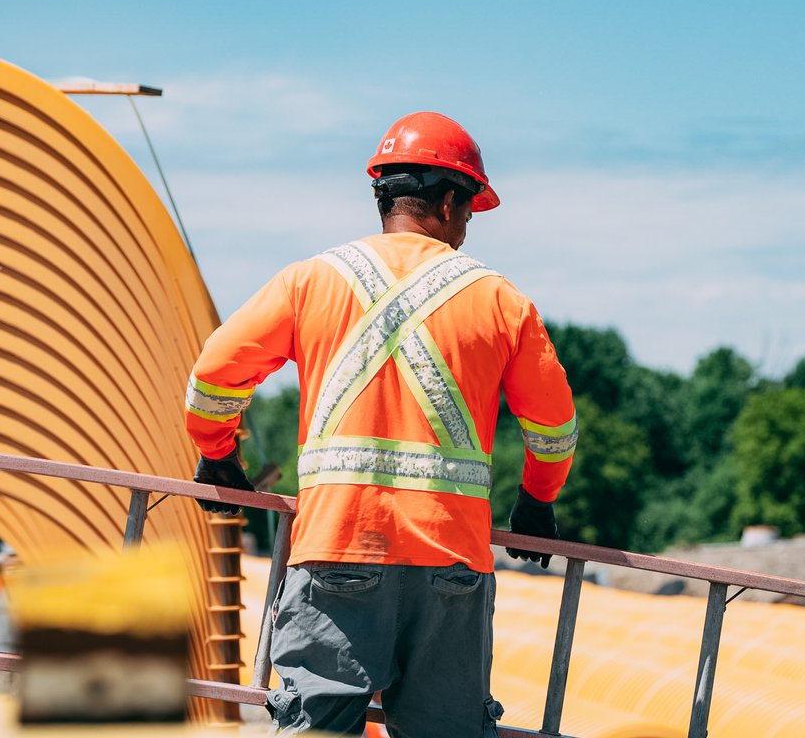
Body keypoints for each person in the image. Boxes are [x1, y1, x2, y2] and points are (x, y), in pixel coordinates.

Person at [184, 111, 578, 737]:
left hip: (336, 548)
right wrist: (536, 501)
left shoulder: (311, 280)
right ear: (448, 199)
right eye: (472, 206)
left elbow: (213, 376)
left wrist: (218, 451)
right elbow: (553, 426)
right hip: (452, 563)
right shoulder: (501, 301)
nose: (470, 222)